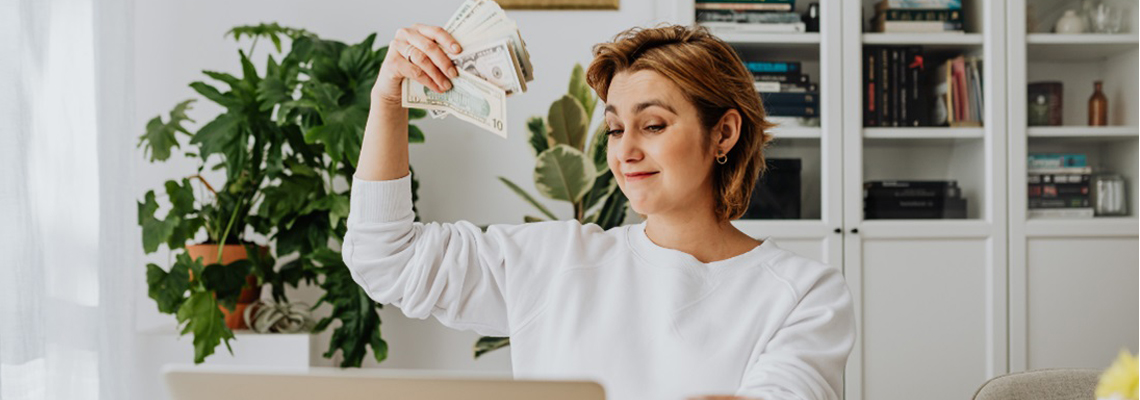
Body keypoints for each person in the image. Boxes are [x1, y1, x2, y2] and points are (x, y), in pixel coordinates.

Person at [347, 22, 855, 400]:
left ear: (723, 132)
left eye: (653, 125)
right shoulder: (554, 260)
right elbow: (386, 258)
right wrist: (387, 104)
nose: (625, 151)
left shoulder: (804, 293)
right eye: (615, 129)